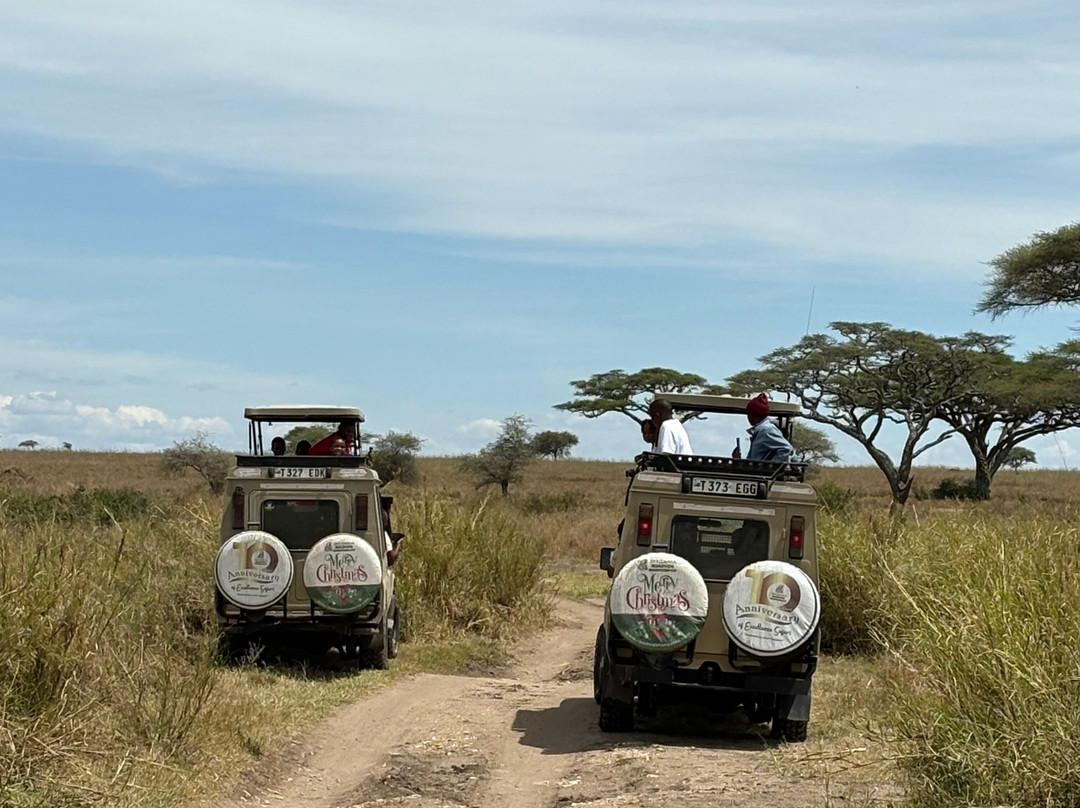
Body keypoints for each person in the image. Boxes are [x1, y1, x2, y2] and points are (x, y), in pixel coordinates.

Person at [734, 393, 794, 462]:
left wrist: (771, 467)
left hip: (764, 472)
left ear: (752, 415)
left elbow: (787, 449)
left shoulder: (767, 430)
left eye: (749, 413)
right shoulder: (759, 431)